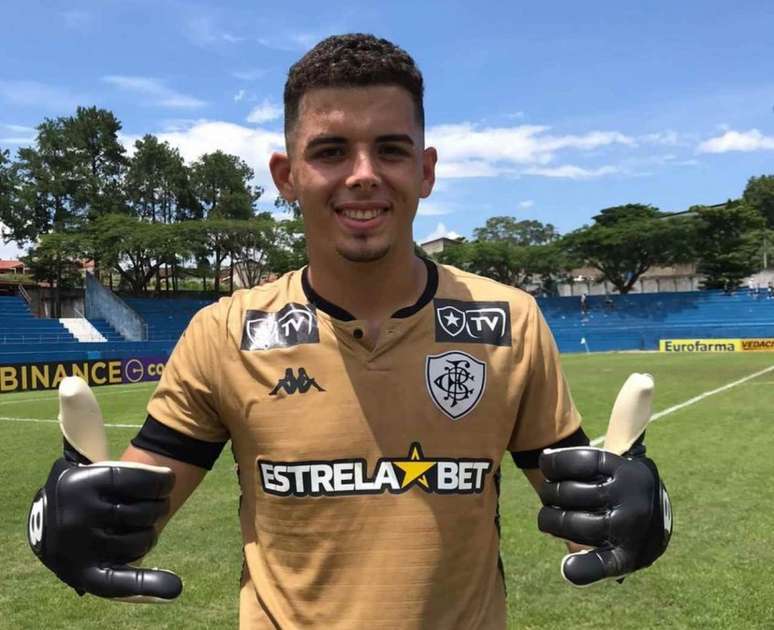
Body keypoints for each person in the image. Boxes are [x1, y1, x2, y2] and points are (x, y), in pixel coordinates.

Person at [27, 34, 671, 629]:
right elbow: (131, 510)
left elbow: (584, 514)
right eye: (331, 151)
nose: (363, 174)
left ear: (425, 169)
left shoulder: (509, 321)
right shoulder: (224, 333)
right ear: (287, 176)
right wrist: (64, 518)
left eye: (390, 149)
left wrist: (634, 510)